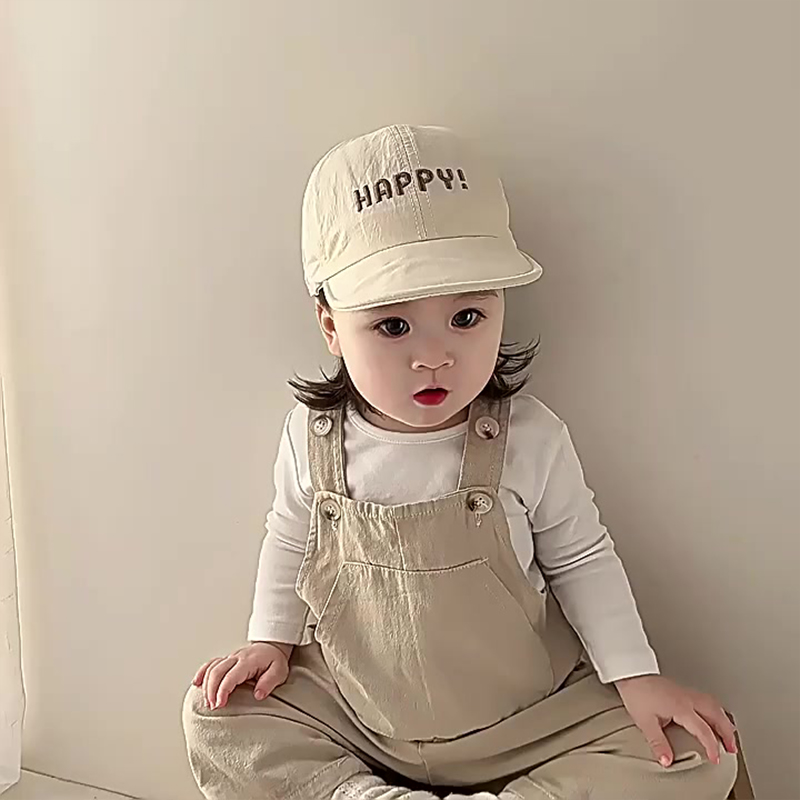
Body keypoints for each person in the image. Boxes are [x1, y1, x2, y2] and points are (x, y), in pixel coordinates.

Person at [182, 125, 738, 799]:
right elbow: (288, 537)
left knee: (699, 755)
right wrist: (269, 642)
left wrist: (636, 676)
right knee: (216, 714)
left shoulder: (529, 438)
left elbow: (581, 557)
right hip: (362, 717)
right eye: (393, 325)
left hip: (526, 722)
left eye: (467, 317)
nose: (434, 356)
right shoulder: (312, 437)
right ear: (331, 325)